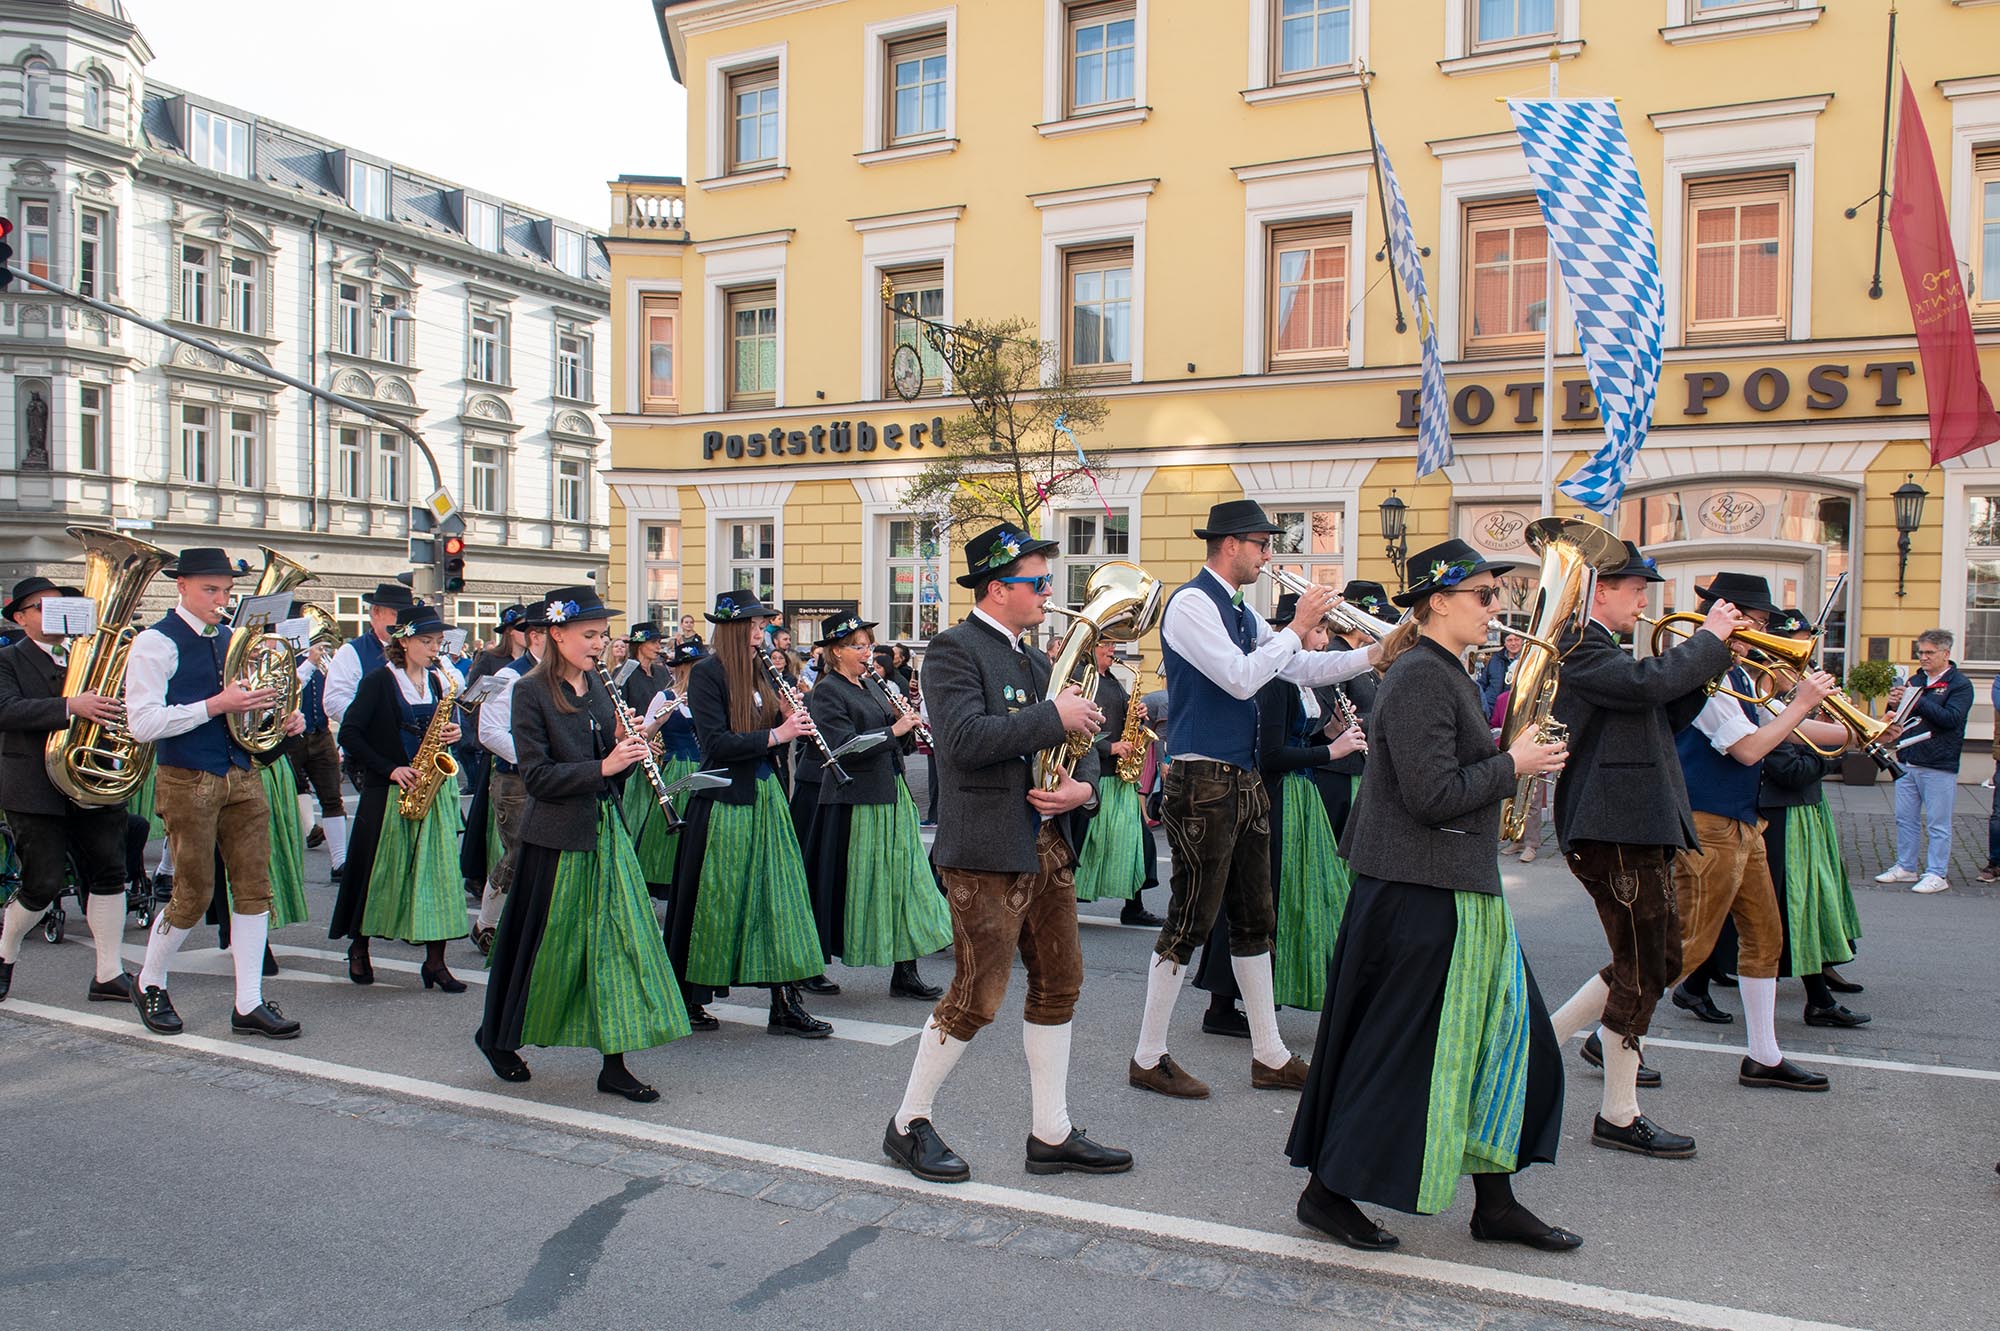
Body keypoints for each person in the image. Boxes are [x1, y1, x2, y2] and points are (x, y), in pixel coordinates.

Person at [1287, 538, 1577, 1253]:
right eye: (1484, 595)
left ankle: (1495, 1201)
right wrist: (1514, 763)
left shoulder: (1442, 670)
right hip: (1419, 891)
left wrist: (1512, 756)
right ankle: (1327, 1193)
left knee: (1499, 1040)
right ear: (1439, 601)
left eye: (1495, 595)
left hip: (1452, 886)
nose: (1495, 607)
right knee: (1401, 1052)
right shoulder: (1421, 674)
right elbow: (1431, 794)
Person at [1129, 500, 1402, 1102]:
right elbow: (1241, 677)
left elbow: (1300, 668)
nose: (1268, 555)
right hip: (1203, 779)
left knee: (1257, 918)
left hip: (1243, 777)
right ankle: (1148, 1055)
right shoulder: (1191, 604)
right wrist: (1296, 625)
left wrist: (1374, 652)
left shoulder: (1239, 610)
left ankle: (1270, 1054)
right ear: (1230, 544)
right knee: (1189, 920)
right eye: (1261, 544)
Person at [883, 523, 1129, 1184]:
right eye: (1039, 582)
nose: (1050, 592)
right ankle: (908, 1121)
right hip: (986, 851)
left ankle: (1051, 1132)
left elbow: (1082, 745)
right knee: (976, 995)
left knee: (1060, 983)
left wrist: (1083, 789)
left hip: (1045, 846)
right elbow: (963, 740)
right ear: (998, 588)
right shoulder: (952, 650)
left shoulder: (1036, 661)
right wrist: (1054, 717)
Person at [1539, 540, 1736, 1161]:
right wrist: (1707, 643)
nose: (1645, 603)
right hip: (1613, 825)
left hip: (1634, 823)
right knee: (1644, 966)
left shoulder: (1606, 649)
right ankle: (1618, 1114)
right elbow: (1643, 684)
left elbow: (1659, 713)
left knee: (1655, 958)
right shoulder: (1579, 646)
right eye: (1636, 590)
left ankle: (1541, 1046)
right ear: (1601, 591)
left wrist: (1711, 664)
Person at [477, 586, 690, 1100]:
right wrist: (605, 764)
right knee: (537, 948)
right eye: (589, 635)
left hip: (604, 829)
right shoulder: (529, 690)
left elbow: (606, 762)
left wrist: (624, 745)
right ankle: (496, 1035)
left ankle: (613, 1063)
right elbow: (538, 776)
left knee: (616, 945)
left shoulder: (596, 683)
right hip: (555, 840)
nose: (599, 645)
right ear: (556, 634)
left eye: (602, 635)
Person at [1665, 572, 1843, 1092]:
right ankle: (1610, 1029)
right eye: (1760, 624)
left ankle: (1764, 1056)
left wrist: (1859, 732)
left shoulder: (1741, 675)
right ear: (1731, 618)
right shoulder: (1702, 675)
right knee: (1687, 945)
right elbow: (1749, 748)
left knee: (1765, 937)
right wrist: (1802, 703)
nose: (1766, 636)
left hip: (1743, 821)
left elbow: (1783, 726)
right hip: (1708, 821)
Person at [123, 547, 304, 1039]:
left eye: (225, 590)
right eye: (210, 590)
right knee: (192, 894)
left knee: (254, 889)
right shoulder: (155, 642)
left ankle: (249, 1002)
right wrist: (216, 704)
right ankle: (150, 980)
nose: (221, 600)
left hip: (241, 773)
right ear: (181, 586)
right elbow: (143, 724)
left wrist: (280, 719)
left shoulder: (232, 639)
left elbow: (246, 711)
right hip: (188, 777)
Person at [1191, 597, 1367, 1024]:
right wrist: (1332, 751)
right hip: (1273, 797)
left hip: (1297, 797)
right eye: (1319, 631)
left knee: (1278, 897)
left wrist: (1329, 733)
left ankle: (1257, 993)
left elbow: (1296, 738)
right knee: (1256, 897)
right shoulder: (1276, 680)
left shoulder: (1299, 679)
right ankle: (1222, 1003)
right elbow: (1270, 755)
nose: (1324, 641)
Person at [663, 588, 831, 1037]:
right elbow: (716, 743)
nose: (761, 634)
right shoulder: (707, 674)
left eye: (762, 627)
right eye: (754, 627)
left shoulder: (761, 670)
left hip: (765, 795)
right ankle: (689, 995)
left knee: (780, 897)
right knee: (714, 901)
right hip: (725, 803)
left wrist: (783, 717)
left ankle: (784, 1003)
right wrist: (778, 734)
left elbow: (765, 731)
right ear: (733, 629)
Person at [0, 577, 134, 1005]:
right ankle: (5, 952)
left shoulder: (93, 656)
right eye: (43, 607)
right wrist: (69, 706)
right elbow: (5, 710)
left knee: (110, 873)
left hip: (92, 780)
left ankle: (109, 974)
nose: (55, 614)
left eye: (62, 606)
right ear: (21, 618)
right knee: (42, 884)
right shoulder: (7, 658)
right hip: (34, 787)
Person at [804, 614, 952, 999]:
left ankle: (905, 971)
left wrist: (903, 724)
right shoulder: (827, 691)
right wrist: (893, 730)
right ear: (836, 652)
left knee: (906, 881)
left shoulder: (870, 684)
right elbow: (841, 747)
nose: (866, 652)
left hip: (892, 792)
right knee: (843, 885)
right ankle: (808, 966)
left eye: (868, 644)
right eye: (857, 646)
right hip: (855, 800)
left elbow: (896, 742)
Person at [328, 603, 468, 991]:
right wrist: (390, 768)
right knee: (376, 874)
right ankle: (359, 947)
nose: (435, 649)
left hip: (431, 791)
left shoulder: (438, 682)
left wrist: (453, 734)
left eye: (438, 642)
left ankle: (436, 962)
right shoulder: (379, 681)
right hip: (389, 791)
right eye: (427, 642)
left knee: (437, 876)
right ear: (404, 642)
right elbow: (350, 734)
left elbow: (443, 728)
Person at [323, 581, 416, 878]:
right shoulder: (352, 652)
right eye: (395, 614)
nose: (401, 622)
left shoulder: (414, 649)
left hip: (412, 754)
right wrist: (375, 721)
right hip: (372, 754)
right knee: (381, 828)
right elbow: (334, 701)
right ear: (375, 613)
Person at [469, 606, 548, 952]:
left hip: (549, 779)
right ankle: (486, 924)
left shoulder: (562, 673)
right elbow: (489, 732)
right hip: (516, 780)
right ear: (535, 636)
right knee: (517, 855)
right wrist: (535, 760)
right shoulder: (508, 674)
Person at [1876, 629, 1972, 895]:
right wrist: (1892, 704)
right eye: (1921, 652)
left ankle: (1937, 873)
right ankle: (1906, 867)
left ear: (1946, 653)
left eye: (1930, 652)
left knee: (1938, 823)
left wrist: (1917, 699)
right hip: (1908, 759)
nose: (1924, 657)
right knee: (1904, 819)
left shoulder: (1959, 684)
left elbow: (1951, 719)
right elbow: (1898, 718)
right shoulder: (1916, 680)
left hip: (1939, 763)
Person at [1072, 639, 1149, 913]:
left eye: (1114, 644)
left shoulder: (1113, 680)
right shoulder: (1081, 678)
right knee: (1084, 845)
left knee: (1138, 844)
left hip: (1118, 777)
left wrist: (1139, 714)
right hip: (1095, 775)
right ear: (1089, 646)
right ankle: (1064, 904)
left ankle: (1134, 907)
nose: (1112, 649)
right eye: (1105, 643)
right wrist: (1109, 748)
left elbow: (1127, 718)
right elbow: (1074, 729)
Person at [622, 640, 703, 900]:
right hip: (675, 769)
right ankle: (662, 884)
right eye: (695, 667)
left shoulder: (708, 698)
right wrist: (660, 721)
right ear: (683, 669)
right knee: (666, 835)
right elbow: (643, 735)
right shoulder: (664, 697)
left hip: (703, 769)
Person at [620, 622, 670, 712]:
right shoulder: (624, 672)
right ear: (639, 645)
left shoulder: (662, 671)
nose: (659, 647)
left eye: (659, 642)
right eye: (653, 642)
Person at [1476, 630, 1524, 718]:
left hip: (1514, 710)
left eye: (1517, 639)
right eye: (1509, 640)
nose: (1513, 643)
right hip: (1491, 708)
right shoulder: (1495, 659)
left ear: (1522, 641)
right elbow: (1483, 683)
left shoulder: (1527, 660)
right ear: (1504, 643)